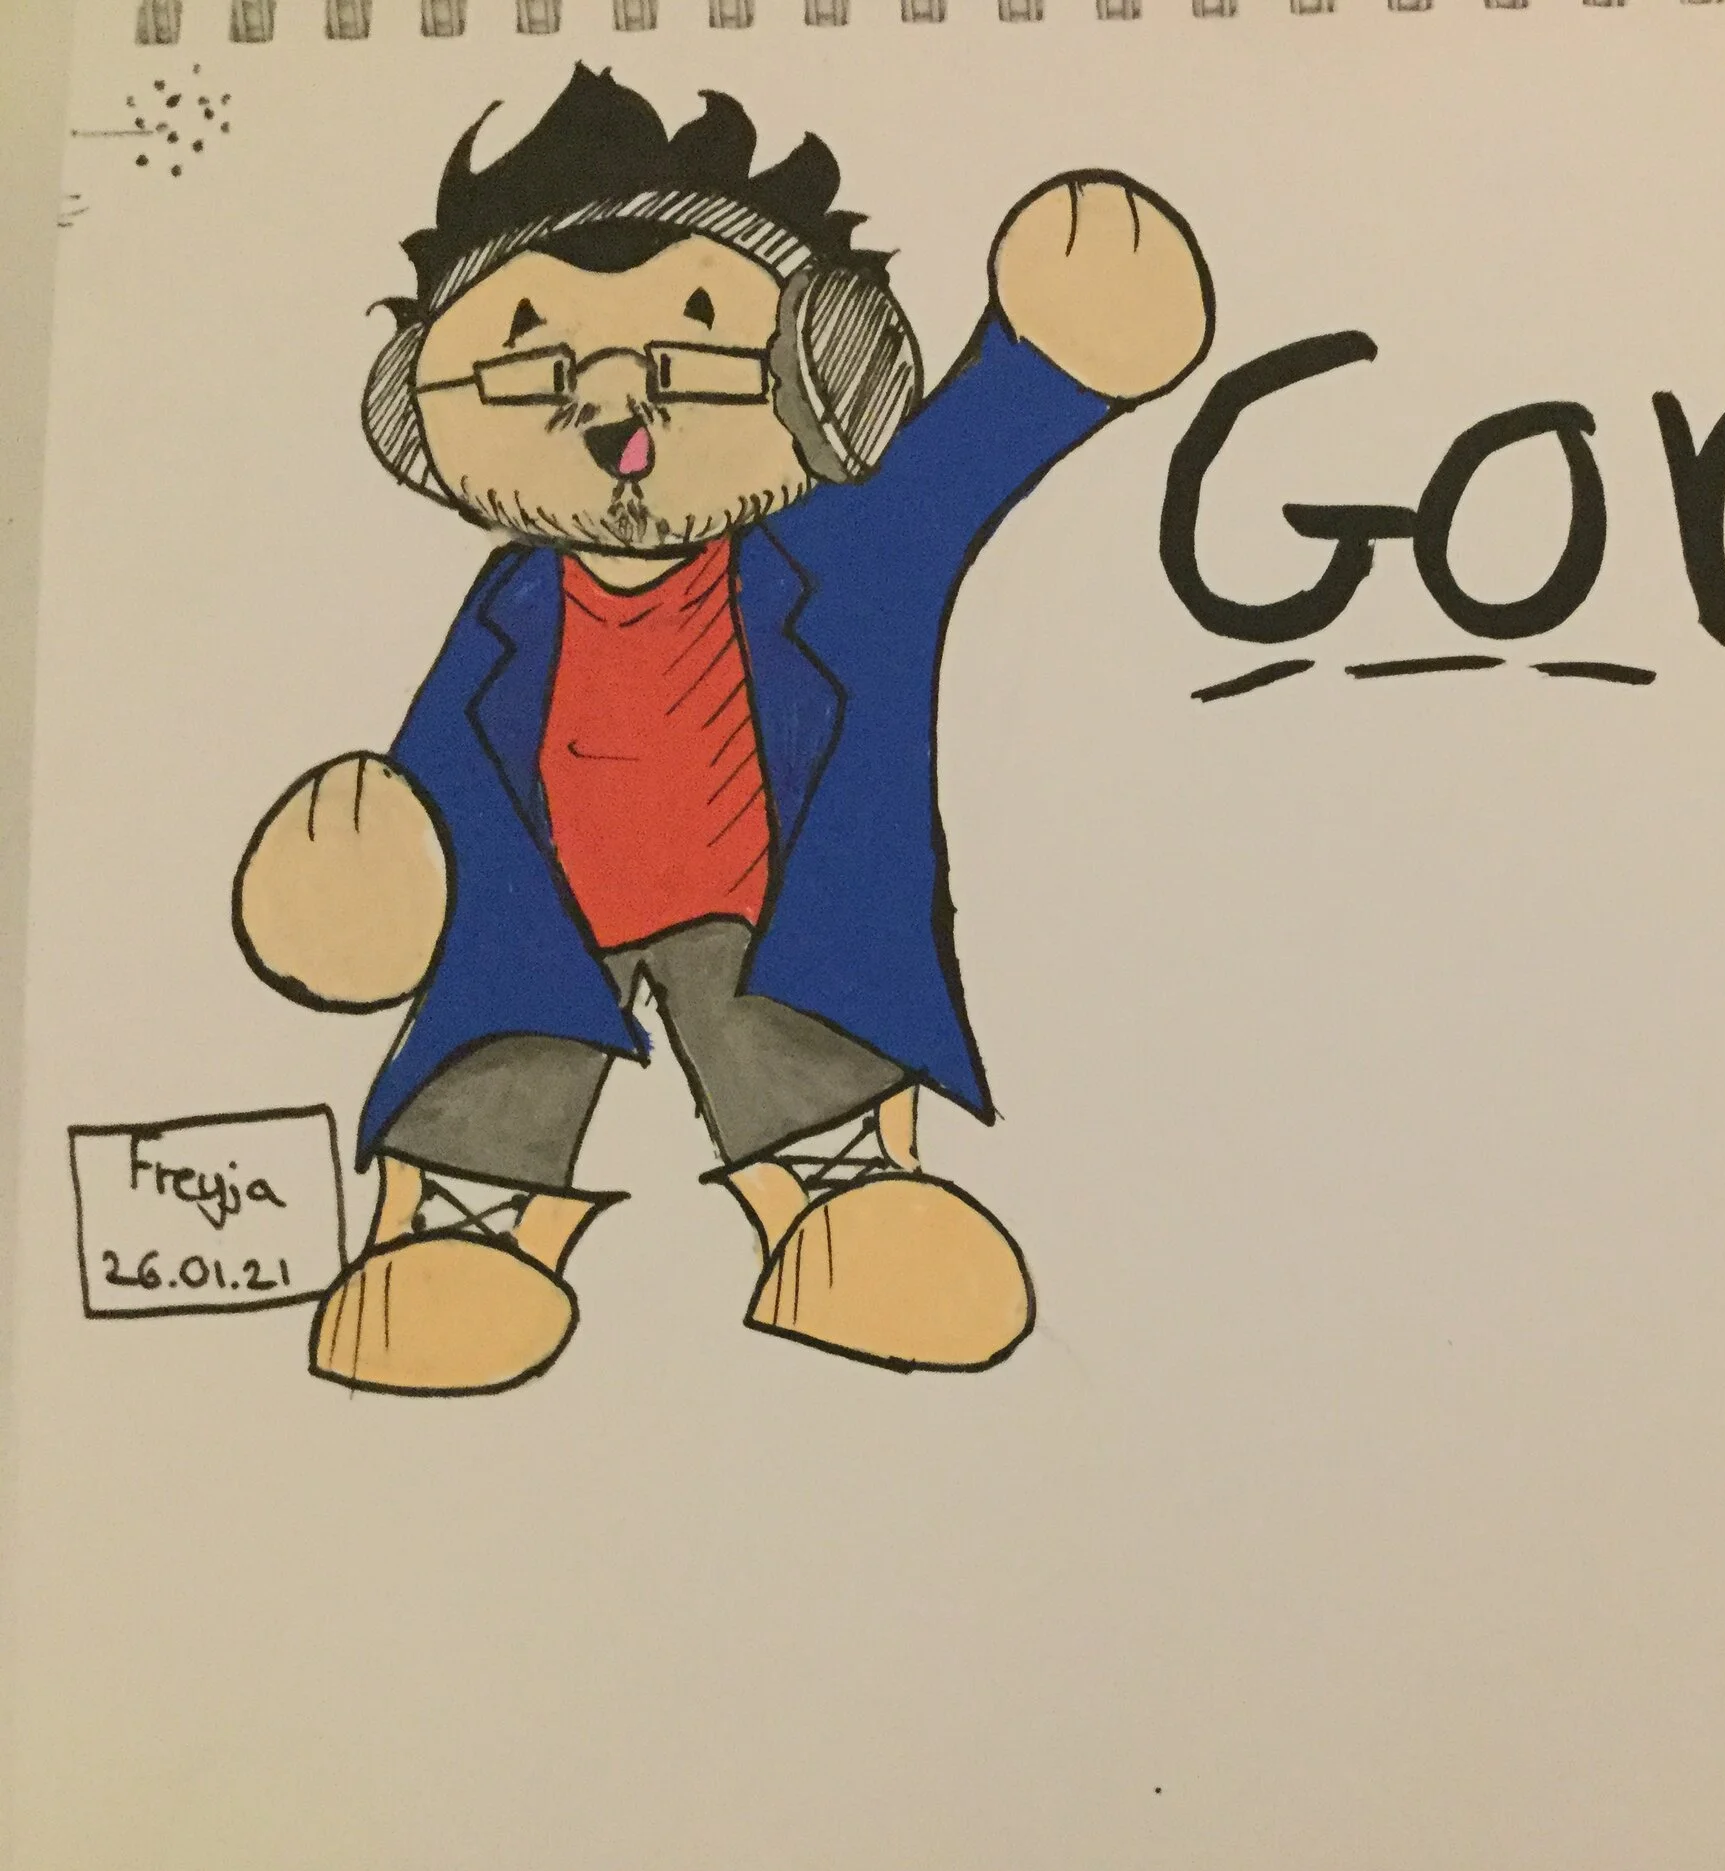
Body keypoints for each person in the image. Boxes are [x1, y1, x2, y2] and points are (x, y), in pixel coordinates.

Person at [231, 66, 1214, 1396]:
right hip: (540, 915)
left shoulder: (843, 552)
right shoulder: (508, 608)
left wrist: (1055, 357)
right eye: (536, 363)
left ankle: (846, 1215)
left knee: (805, 1070)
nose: (615, 408)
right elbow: (438, 773)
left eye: (686, 348)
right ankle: (456, 1243)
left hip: (758, 905)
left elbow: (953, 468)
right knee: (488, 1082)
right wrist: (359, 875)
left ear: (825, 365)